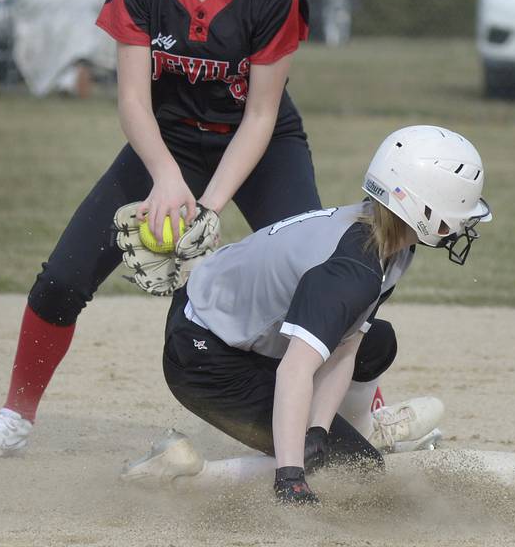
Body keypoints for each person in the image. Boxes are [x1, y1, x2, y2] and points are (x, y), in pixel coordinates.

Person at [0, 0, 324, 461]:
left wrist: (209, 205)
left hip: (258, 145)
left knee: (316, 277)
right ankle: (16, 415)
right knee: (62, 280)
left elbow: (261, 116)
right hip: (166, 139)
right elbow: (132, 102)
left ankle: (371, 410)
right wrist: (167, 179)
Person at [119, 125, 493, 505]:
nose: (464, 224)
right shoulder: (352, 272)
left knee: (376, 344)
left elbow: (347, 346)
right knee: (354, 468)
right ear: (425, 209)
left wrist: (318, 430)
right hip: (203, 359)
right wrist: (291, 475)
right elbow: (295, 369)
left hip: (218, 324)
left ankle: (357, 432)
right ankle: (182, 474)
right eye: (459, 212)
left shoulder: (386, 241)